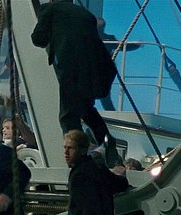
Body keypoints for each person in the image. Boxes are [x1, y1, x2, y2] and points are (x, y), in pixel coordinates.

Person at [31, 0, 117, 151]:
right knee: (86, 109)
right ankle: (107, 142)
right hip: (93, 71)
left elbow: (39, 39)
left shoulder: (50, 9)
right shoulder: (86, 14)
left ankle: (76, 151)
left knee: (68, 116)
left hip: (72, 69)